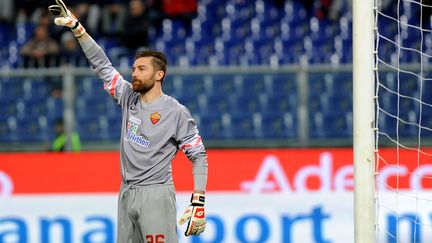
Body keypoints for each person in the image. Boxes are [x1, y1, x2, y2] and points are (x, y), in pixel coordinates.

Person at [48, 0, 208, 242]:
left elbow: (199, 155)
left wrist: (199, 201)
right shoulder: (127, 97)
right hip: (126, 192)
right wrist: (78, 29)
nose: (134, 73)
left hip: (156, 194)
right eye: (133, 68)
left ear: (159, 75)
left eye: (141, 69)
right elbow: (102, 65)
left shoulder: (176, 112)